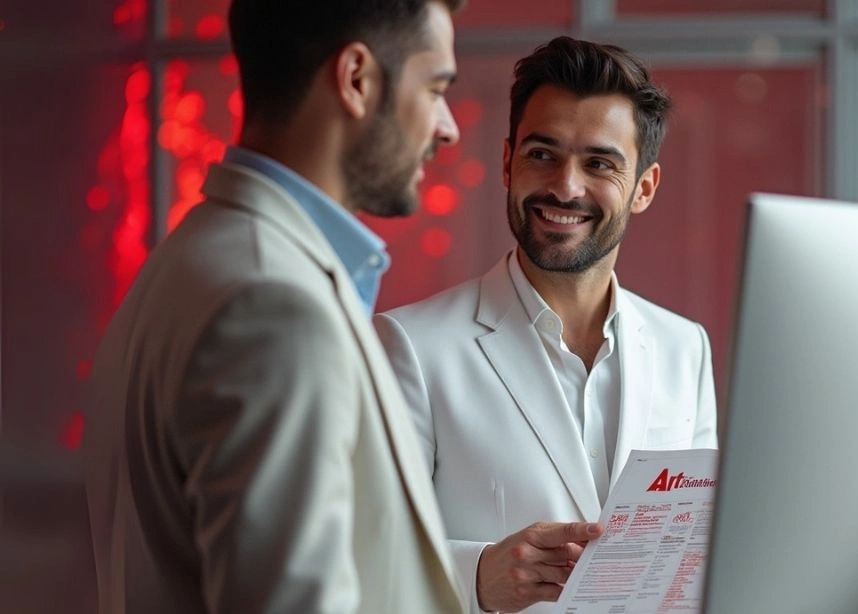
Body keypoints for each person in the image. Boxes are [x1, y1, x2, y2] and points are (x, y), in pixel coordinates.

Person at [80, 1, 516, 612]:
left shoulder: (196, 257)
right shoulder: (272, 305)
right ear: (356, 79)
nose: (447, 126)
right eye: (435, 87)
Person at [374, 36, 717, 614]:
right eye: (542, 153)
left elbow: (697, 556)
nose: (565, 186)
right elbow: (361, 555)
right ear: (508, 161)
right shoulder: (408, 345)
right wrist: (476, 576)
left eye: (600, 163)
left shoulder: (685, 348)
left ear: (644, 188)